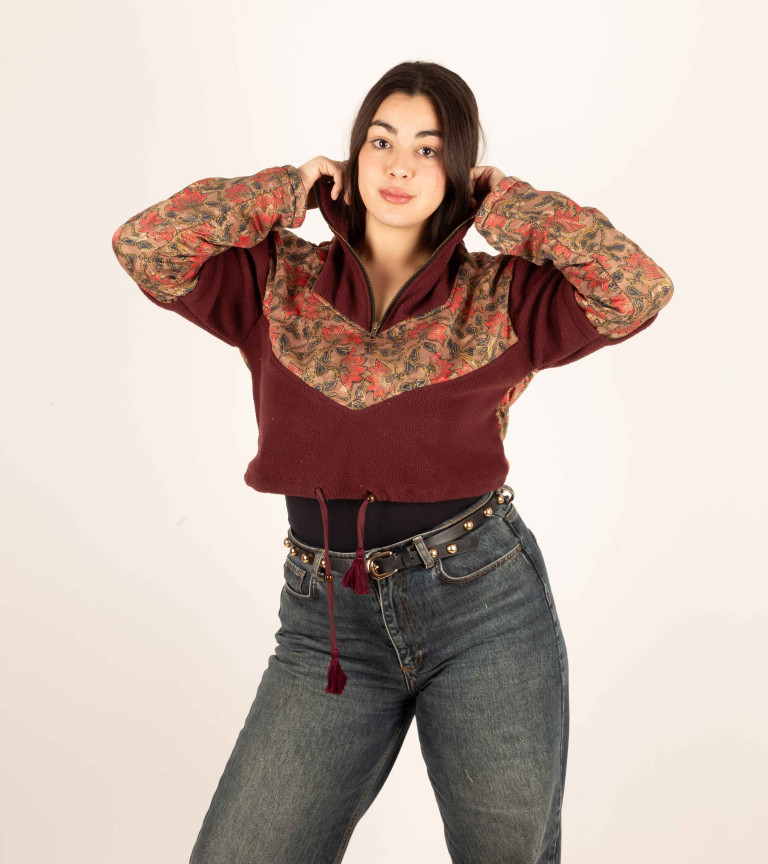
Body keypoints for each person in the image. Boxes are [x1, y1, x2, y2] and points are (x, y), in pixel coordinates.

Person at [111, 60, 674, 863]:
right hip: (326, 628)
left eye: (429, 148)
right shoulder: (276, 279)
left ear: (459, 170)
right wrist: (286, 189)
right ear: (353, 155)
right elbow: (144, 244)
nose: (400, 166)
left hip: (484, 608)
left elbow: (637, 289)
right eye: (382, 141)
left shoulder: (503, 296)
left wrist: (508, 205)